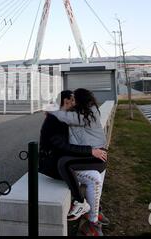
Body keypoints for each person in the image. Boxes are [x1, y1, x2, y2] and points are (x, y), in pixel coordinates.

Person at [38, 90, 107, 223]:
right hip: (54, 163)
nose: (73, 104)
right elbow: (62, 146)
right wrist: (90, 151)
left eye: (74, 101)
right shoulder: (55, 120)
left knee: (95, 176)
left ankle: (93, 213)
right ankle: (90, 214)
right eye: (70, 102)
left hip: (69, 159)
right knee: (94, 178)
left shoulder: (73, 116)